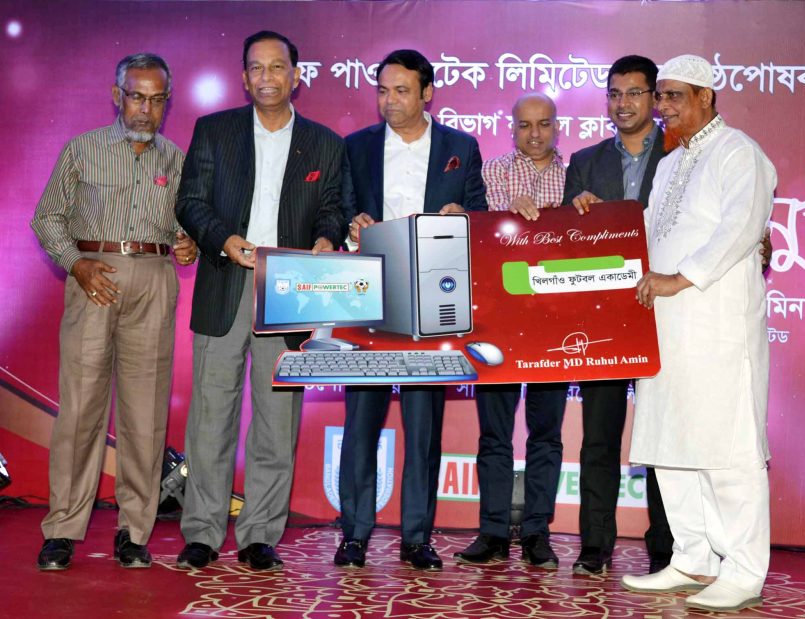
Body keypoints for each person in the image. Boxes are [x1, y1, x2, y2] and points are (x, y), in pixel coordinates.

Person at [174, 31, 344, 572]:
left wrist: (325, 237)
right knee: (210, 417)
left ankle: (260, 535)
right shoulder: (214, 131)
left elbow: (335, 208)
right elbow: (191, 203)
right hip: (226, 284)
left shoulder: (324, 143)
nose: (268, 77)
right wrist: (223, 238)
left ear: (297, 76)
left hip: (288, 294)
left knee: (276, 420)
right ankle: (202, 530)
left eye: (278, 67)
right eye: (256, 68)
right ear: (244, 77)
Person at [620, 54, 776, 613]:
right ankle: (692, 557)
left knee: (726, 451)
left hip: (716, 328)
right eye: (659, 96)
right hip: (664, 326)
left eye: (673, 97)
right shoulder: (667, 164)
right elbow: (646, 230)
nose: (661, 107)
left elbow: (741, 229)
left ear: (707, 97)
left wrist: (679, 279)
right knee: (669, 444)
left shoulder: (740, 154)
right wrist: (598, 223)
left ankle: (743, 568)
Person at [32, 53, 196, 570]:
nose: (144, 108)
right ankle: (62, 528)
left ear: (167, 102)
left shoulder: (176, 158)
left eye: (155, 99)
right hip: (93, 278)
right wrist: (76, 265)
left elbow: (179, 226)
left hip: (153, 279)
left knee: (145, 415)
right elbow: (47, 217)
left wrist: (186, 241)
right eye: (135, 95)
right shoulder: (82, 149)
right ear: (116, 94)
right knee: (80, 410)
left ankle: (135, 531)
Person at [334, 49, 488, 571]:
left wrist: (462, 216)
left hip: (431, 300)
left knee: (423, 425)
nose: (389, 100)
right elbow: (336, 211)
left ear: (427, 94)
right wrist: (347, 225)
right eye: (382, 90)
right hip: (368, 293)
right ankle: (353, 534)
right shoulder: (354, 147)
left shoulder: (459, 148)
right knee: (361, 420)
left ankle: (416, 537)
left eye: (401, 90)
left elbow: (480, 217)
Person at [565, 55, 675, 576]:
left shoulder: (681, 156)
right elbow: (566, 244)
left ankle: (667, 547)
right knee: (599, 438)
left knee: (662, 436)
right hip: (604, 319)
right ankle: (594, 546)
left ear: (655, 99)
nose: (623, 103)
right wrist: (577, 208)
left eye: (634, 93)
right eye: (614, 93)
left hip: (665, 313)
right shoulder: (585, 163)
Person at [453, 93, 569, 569]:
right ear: (512, 127)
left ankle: (538, 532)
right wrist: (506, 217)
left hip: (555, 326)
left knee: (547, 434)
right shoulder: (493, 173)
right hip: (497, 322)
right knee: (494, 435)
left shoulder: (574, 176)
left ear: (557, 126)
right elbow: (482, 231)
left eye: (543, 125)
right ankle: (493, 531)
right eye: (524, 126)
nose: (534, 134)